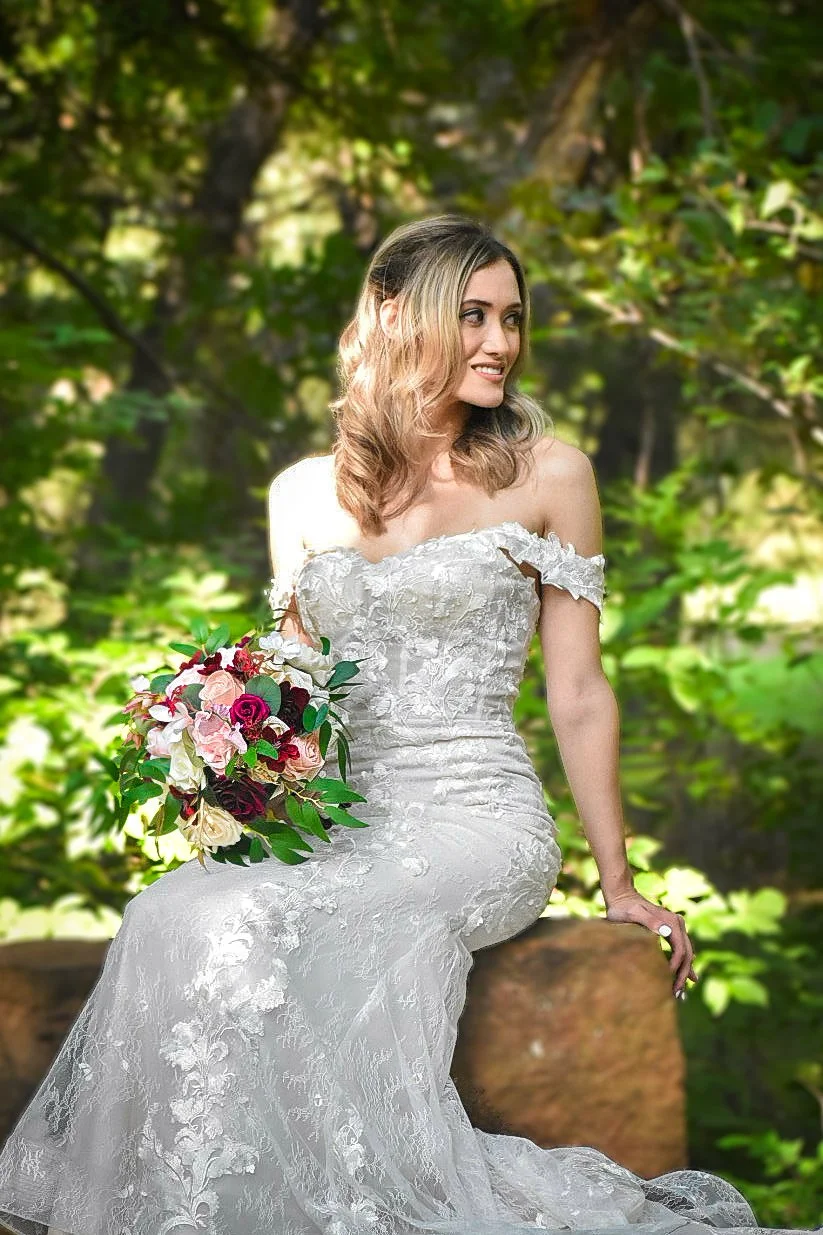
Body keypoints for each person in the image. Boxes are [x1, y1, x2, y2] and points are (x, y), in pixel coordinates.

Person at [0, 214, 801, 1235]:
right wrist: (230, 763)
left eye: (512, 317)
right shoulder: (301, 494)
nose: (500, 341)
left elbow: (579, 691)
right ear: (390, 314)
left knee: (254, 920)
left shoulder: (551, 475)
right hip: (341, 820)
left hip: (477, 819)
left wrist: (620, 882)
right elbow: (294, 697)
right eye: (471, 314)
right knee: (174, 910)